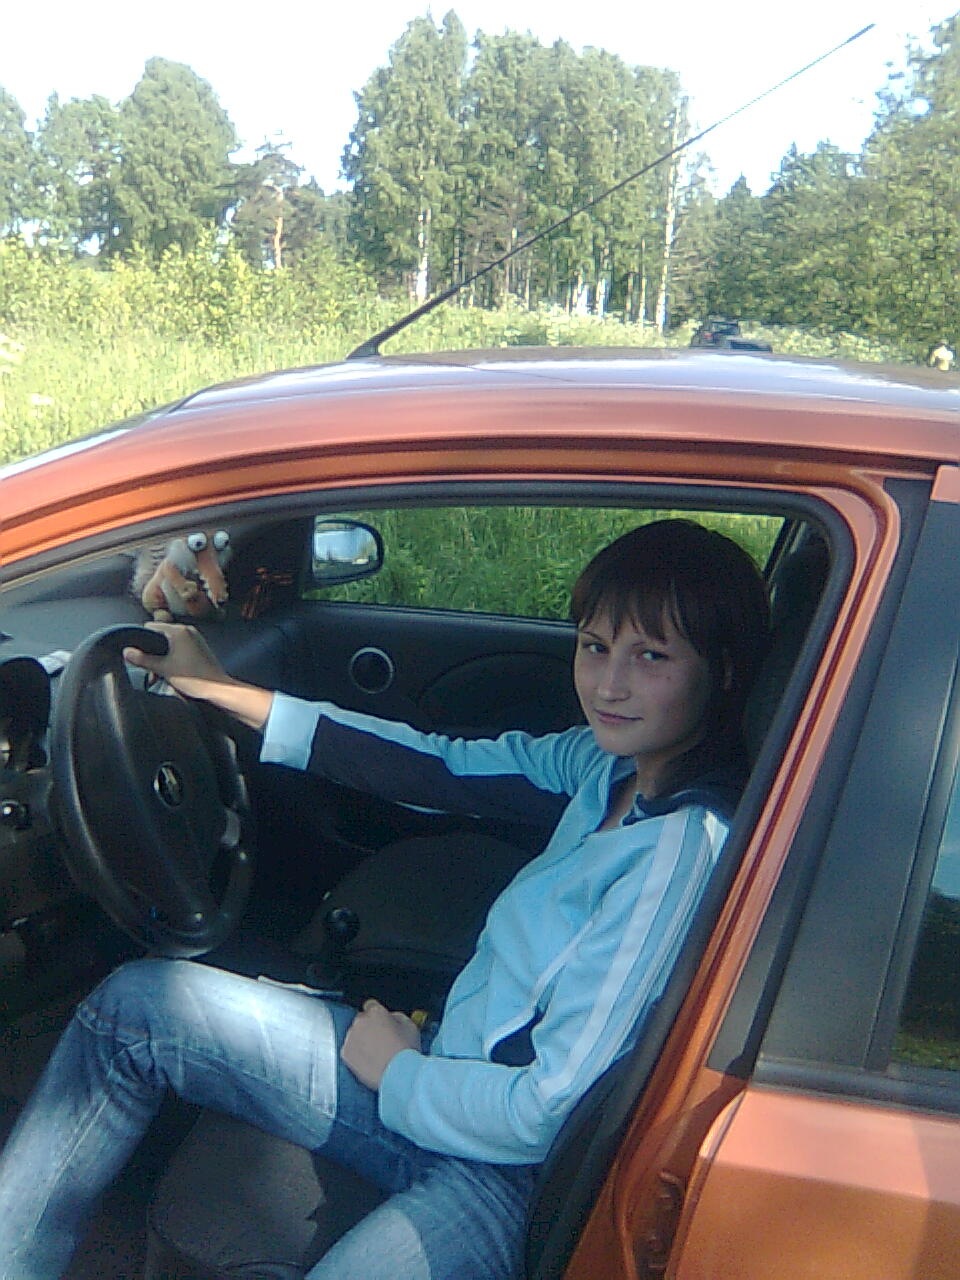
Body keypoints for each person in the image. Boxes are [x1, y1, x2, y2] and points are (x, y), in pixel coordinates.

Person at [0, 518, 770, 1280]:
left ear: (723, 673)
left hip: (502, 1179)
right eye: (595, 646)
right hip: (442, 1072)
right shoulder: (605, 768)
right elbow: (436, 767)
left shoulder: (678, 851)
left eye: (651, 657)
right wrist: (229, 694)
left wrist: (400, 1073)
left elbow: (545, 1113)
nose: (609, 684)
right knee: (134, 1010)